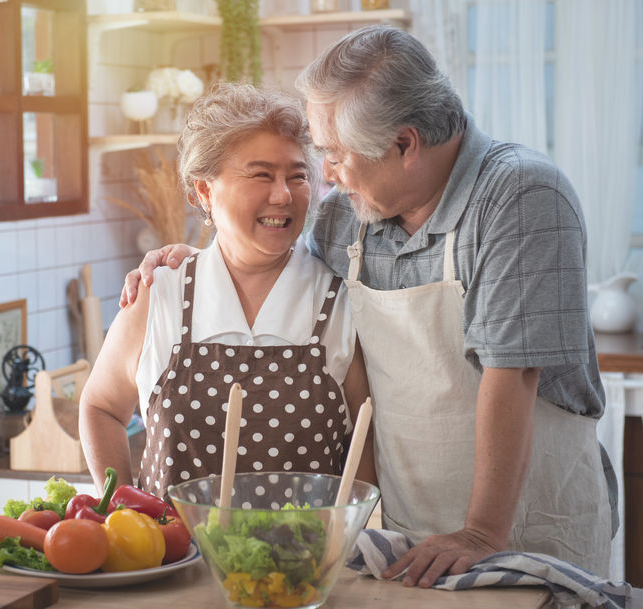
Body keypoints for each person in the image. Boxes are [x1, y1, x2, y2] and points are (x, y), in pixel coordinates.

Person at [121, 25, 617, 585]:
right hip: (412, 542)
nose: (326, 174)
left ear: (404, 145)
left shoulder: (520, 198)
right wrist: (201, 260)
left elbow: (513, 372)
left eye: (334, 155)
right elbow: (273, 262)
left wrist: (481, 532)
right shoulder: (346, 218)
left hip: (522, 535)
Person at [80, 82, 375, 503]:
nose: (283, 195)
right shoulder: (159, 296)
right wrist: (122, 508)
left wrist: (347, 539)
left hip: (301, 565)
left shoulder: (339, 301)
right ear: (204, 191)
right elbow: (101, 408)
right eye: (261, 175)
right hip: (172, 564)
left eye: (297, 176)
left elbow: (365, 445)